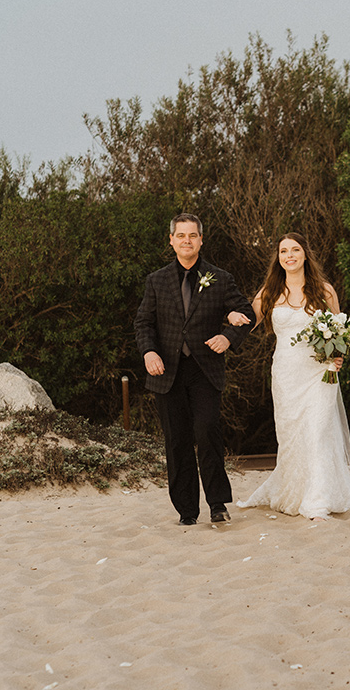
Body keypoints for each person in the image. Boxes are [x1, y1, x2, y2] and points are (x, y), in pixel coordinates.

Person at [231, 232, 350, 521]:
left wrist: (339, 356)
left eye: (295, 249)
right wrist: (230, 319)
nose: (289, 255)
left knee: (318, 431)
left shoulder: (324, 291)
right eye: (284, 251)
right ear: (278, 258)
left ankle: (317, 500)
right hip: (286, 374)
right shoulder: (268, 293)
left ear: (305, 254)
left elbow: (340, 332)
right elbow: (245, 325)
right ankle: (295, 491)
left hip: (319, 373)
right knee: (291, 435)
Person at [134, 213, 255, 526]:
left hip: (205, 370)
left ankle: (217, 504)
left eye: (192, 235)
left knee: (207, 432)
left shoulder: (220, 278)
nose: (186, 240)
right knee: (177, 441)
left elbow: (245, 313)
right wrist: (148, 352)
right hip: (167, 372)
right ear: (171, 240)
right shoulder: (156, 280)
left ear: (201, 240)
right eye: (181, 235)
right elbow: (144, 322)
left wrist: (228, 337)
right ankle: (187, 510)